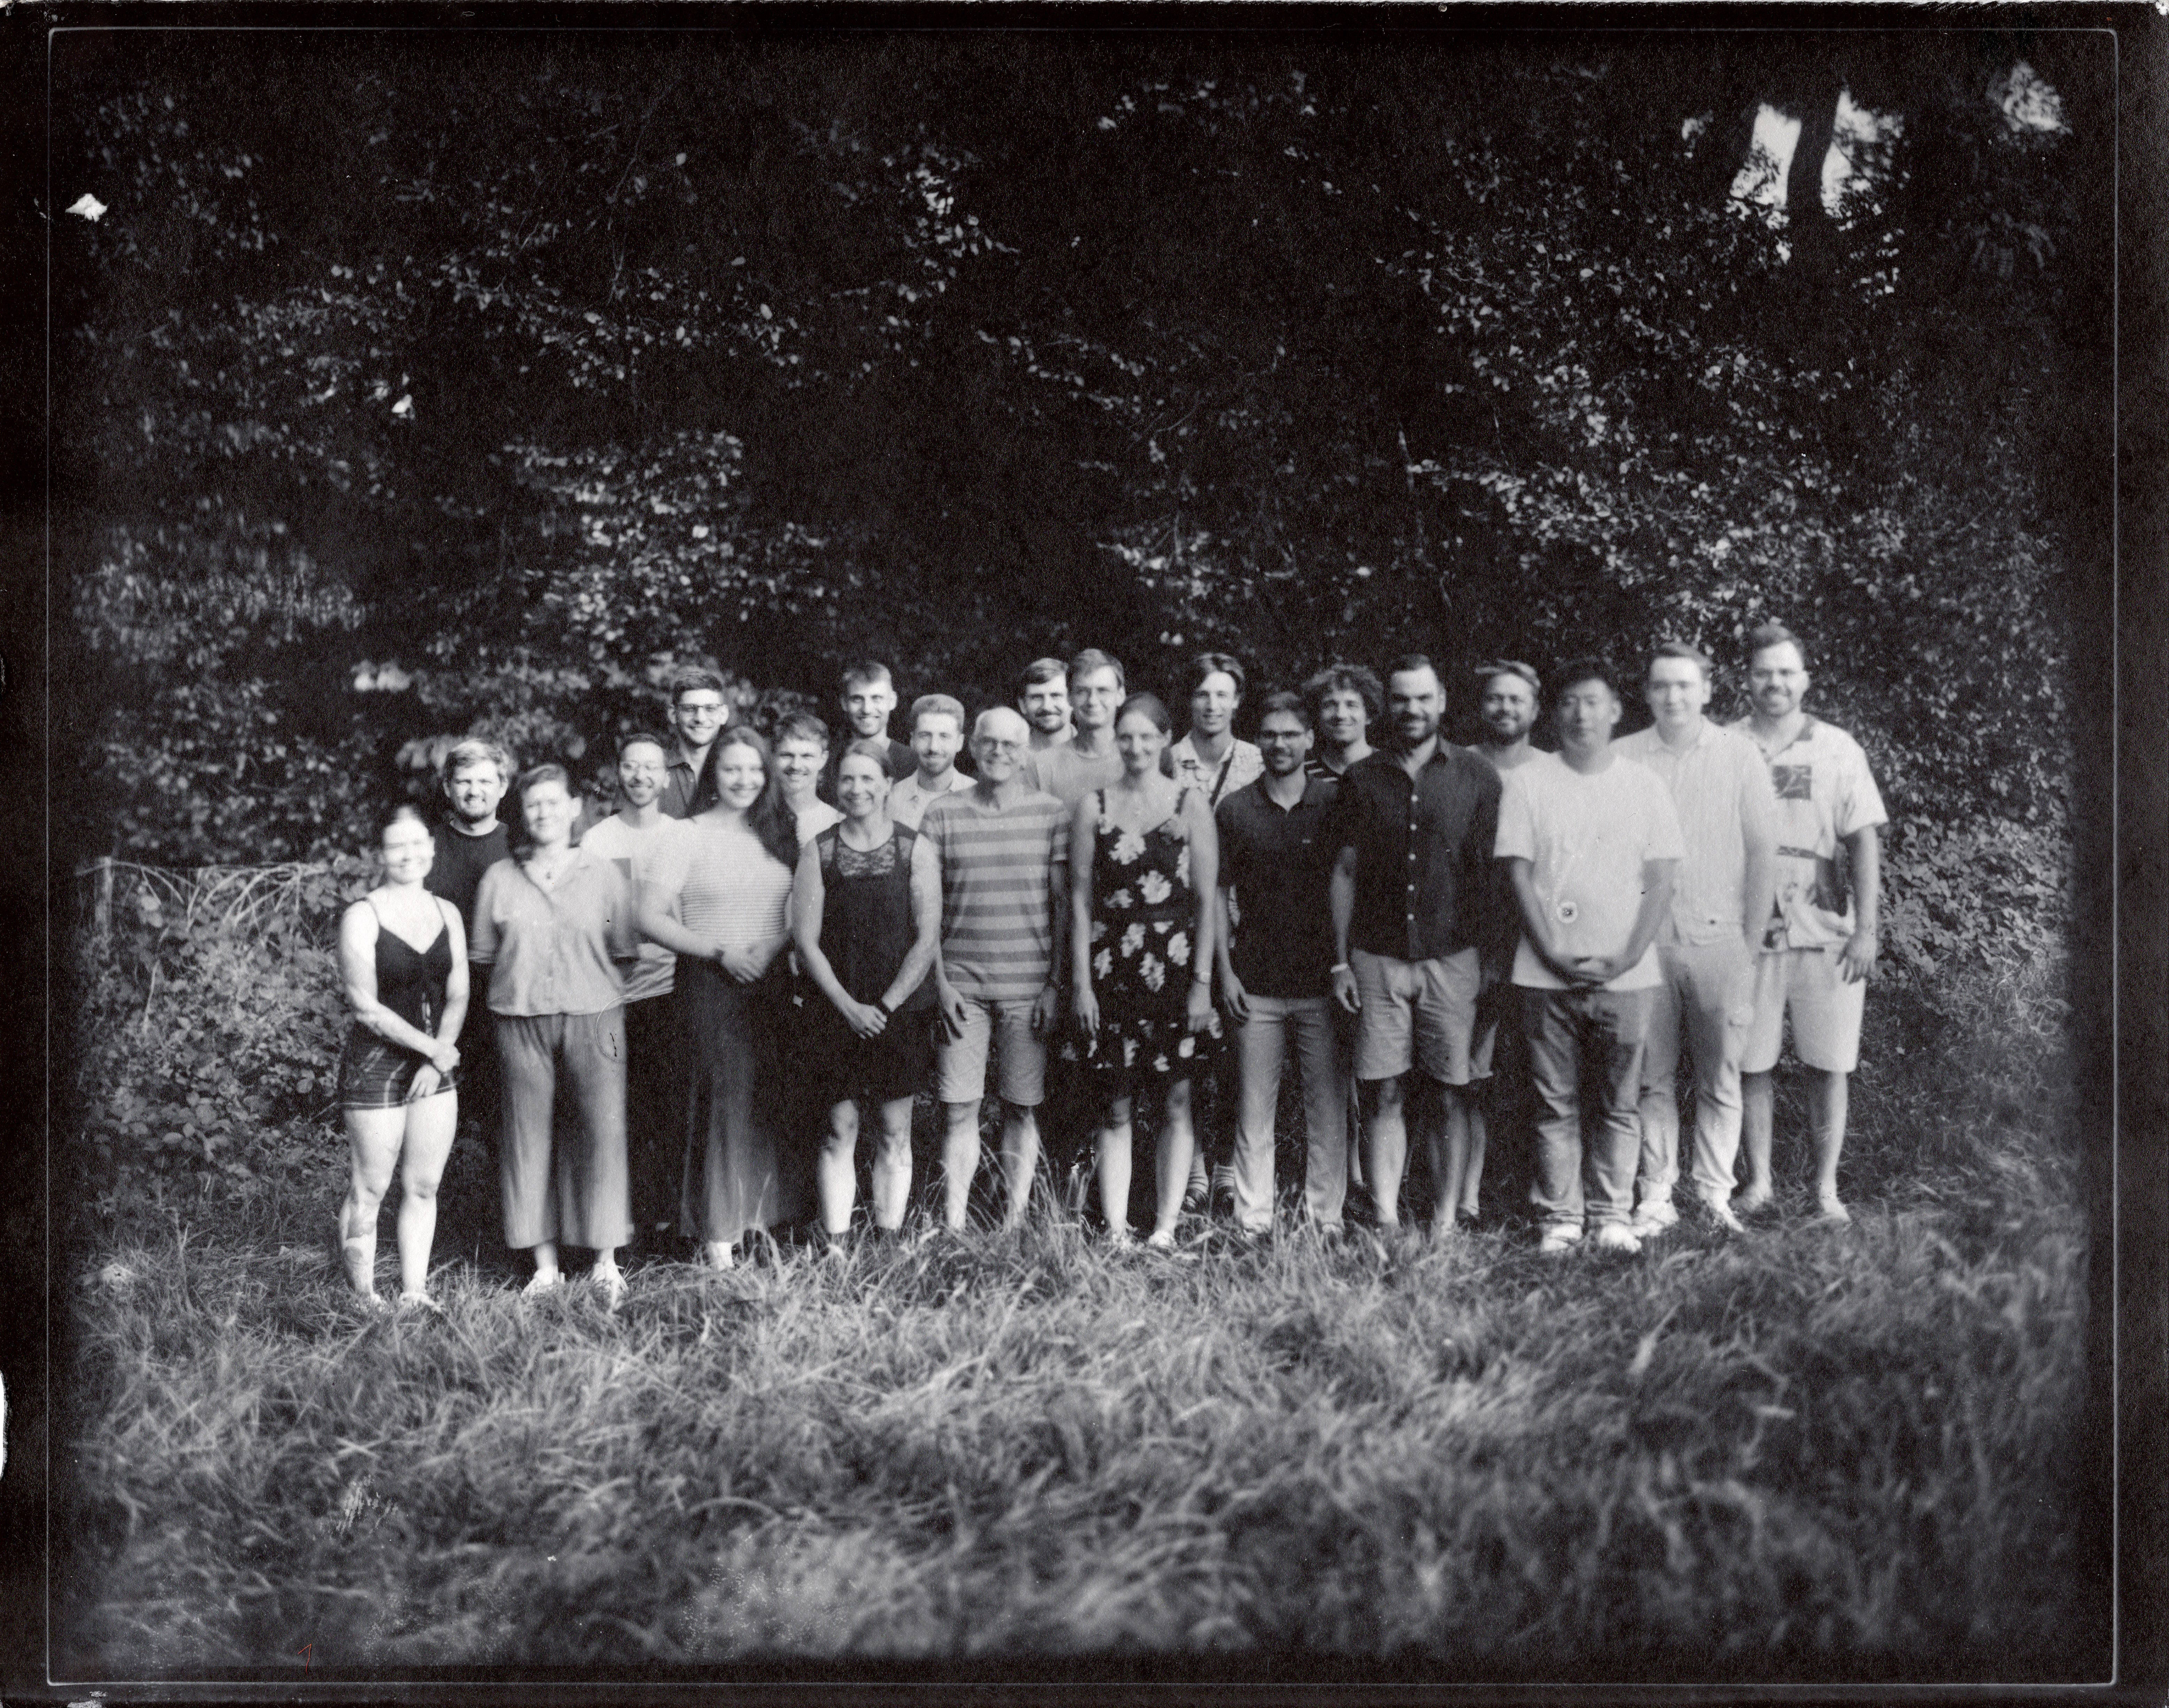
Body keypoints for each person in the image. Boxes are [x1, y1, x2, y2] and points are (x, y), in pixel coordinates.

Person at [1495, 658, 1683, 1256]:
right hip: (1542, 972)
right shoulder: (1530, 781)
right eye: (1570, 702)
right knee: (1553, 1101)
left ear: (1615, 711)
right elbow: (1517, 873)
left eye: (1592, 702)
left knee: (1618, 1100)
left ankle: (1611, 1214)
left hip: (1628, 975)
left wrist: (1628, 955)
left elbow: (1660, 880)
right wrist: (1549, 950)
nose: (1581, 714)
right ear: (1557, 712)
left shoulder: (1643, 784)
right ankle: (1560, 1217)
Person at [1326, 654, 1507, 1243]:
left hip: (1452, 957)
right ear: (1390, 705)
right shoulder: (1362, 778)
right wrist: (1340, 958)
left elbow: (1491, 876)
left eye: (1422, 698)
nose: (1412, 709)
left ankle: (1447, 1218)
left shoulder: (1477, 776)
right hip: (1377, 957)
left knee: (1451, 1091)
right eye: (1402, 698)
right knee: (1383, 1089)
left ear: (1442, 701)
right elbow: (1345, 871)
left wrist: (1491, 959)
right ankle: (1384, 1216)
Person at [1614, 643, 1778, 1237]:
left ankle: (1713, 1194)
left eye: (1685, 685)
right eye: (1661, 686)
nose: (1673, 696)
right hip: (1645, 947)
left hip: (1720, 943)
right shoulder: (1622, 756)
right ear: (1647, 692)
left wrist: (1750, 946)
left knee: (1721, 1076)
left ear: (1707, 691)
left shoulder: (1740, 756)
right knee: (1650, 1075)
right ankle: (1655, 1195)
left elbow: (1764, 854)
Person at [1729, 621, 1887, 1225]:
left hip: (1827, 929)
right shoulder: (1725, 745)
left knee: (1830, 1062)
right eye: (1764, 671)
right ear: (1747, 679)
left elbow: (1864, 842)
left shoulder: (1838, 748)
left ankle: (1825, 1191)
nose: (1775, 681)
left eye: (1786, 671)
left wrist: (1868, 928)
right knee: (1751, 1061)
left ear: (1805, 679)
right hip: (1750, 930)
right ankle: (1759, 1182)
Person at [638, 727, 810, 1268]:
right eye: (732, 768)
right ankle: (717, 1239)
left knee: (769, 1102)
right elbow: (648, 918)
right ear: (713, 773)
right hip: (709, 988)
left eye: (755, 770)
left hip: (772, 983)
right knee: (719, 1109)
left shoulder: (783, 830)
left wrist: (772, 945)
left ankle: (760, 1223)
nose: (745, 780)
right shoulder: (684, 834)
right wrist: (718, 952)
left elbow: (799, 909)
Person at [469, 764, 639, 1299]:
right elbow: (483, 958)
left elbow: (625, 953)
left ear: (574, 808)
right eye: (533, 804)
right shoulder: (498, 878)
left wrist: (586, 988)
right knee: (527, 1139)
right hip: (519, 1022)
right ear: (523, 813)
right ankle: (544, 1266)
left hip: (597, 1019)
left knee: (602, 1134)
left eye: (553, 802)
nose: (543, 812)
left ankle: (605, 1261)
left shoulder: (605, 873)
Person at [1068, 693, 1220, 1247]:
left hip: (1176, 971)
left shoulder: (1189, 803)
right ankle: (1113, 1228)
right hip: (1112, 971)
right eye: (1125, 737)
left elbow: (1207, 900)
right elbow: (1081, 899)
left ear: (1163, 740)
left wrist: (1202, 985)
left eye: (1145, 738)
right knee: (1115, 1104)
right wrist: (1082, 983)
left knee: (1176, 1102)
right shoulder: (1095, 806)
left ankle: (1164, 1227)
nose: (1134, 747)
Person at [918, 707, 1072, 1232]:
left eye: (1011, 745)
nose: (999, 753)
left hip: (1028, 988)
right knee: (958, 1109)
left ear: (1025, 750)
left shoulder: (1051, 814)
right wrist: (938, 984)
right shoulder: (941, 814)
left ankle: (1013, 1221)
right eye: (990, 743)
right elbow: (926, 911)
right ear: (973, 747)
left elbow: (1062, 908)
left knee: (1021, 1108)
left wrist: (1055, 985)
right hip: (959, 986)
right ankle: (955, 1225)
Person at [792, 738, 943, 1237]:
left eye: (866, 779)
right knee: (839, 1129)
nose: (856, 789)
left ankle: (889, 1240)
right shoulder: (820, 850)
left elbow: (926, 938)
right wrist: (848, 1007)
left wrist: (886, 1005)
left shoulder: (916, 848)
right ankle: (835, 1245)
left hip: (896, 1011)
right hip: (833, 1010)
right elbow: (806, 941)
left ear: (885, 785)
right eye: (847, 779)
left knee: (894, 1130)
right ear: (835, 787)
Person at [1216, 691, 1351, 1238]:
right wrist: (1224, 973)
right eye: (1269, 734)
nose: (1279, 744)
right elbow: (1218, 894)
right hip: (1256, 983)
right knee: (1254, 1110)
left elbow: (1354, 886)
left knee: (1327, 1109)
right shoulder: (1235, 809)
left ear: (1310, 740)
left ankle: (1326, 1219)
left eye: (1291, 734)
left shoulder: (1337, 802)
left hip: (1322, 982)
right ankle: (1253, 1219)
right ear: (1258, 741)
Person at [335, 806, 468, 1311]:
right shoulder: (362, 916)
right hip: (377, 1063)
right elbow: (366, 1008)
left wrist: (438, 1062)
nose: (409, 855)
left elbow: (457, 995)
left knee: (423, 1183)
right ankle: (363, 1297)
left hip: (436, 1065)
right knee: (370, 1185)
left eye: (418, 844)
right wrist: (433, 1050)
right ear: (381, 854)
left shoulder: (447, 913)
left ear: (432, 849)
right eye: (397, 846)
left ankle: (415, 1292)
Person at [577, 732, 687, 1252]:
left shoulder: (682, 835)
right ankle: (619, 1229)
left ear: (667, 778)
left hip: (672, 991)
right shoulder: (597, 841)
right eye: (630, 766)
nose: (641, 777)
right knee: (619, 1113)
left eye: (651, 768)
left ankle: (665, 1224)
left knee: (668, 1110)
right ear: (617, 774)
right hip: (612, 999)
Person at [1464, 658, 1550, 1222]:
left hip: (1539, 929)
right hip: (1473, 929)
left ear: (1535, 708)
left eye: (1516, 699)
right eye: (1495, 698)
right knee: (1471, 1068)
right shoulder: (1463, 764)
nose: (1505, 708)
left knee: (1540, 1066)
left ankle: (1538, 1186)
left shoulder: (1552, 769)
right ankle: (1468, 1192)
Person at [1022, 648, 1127, 807]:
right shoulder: (1041, 766)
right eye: (1082, 692)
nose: (1092, 701)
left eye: (1103, 691)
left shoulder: (1137, 756)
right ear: (1070, 698)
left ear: (1120, 696)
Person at [1172, 652, 1265, 807]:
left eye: (1222, 695)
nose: (1212, 706)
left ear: (1236, 701)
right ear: (1190, 700)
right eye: (1203, 695)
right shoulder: (1169, 762)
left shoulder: (1258, 762)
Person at [818, 661, 915, 805]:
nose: (867, 709)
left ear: (893, 701)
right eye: (858, 699)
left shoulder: (913, 763)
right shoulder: (827, 763)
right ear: (845, 703)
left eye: (877, 698)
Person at [889, 693, 975, 831]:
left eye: (944, 737)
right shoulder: (891, 800)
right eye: (925, 736)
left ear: (960, 742)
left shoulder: (979, 797)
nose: (933, 747)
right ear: (912, 740)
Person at [657, 667, 732, 820]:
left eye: (710, 709)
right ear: (673, 714)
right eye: (690, 709)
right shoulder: (650, 768)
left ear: (723, 715)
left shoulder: (737, 770)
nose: (700, 718)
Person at [773, 711, 844, 846]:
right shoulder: (757, 818)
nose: (796, 765)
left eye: (807, 756)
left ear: (823, 759)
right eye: (787, 755)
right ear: (774, 757)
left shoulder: (836, 823)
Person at [1302, 663, 1382, 781]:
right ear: (1318, 714)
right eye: (1330, 705)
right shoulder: (1302, 773)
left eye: (1351, 705)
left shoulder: (1390, 768)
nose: (1340, 715)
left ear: (1369, 715)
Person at [1018, 657, 1074, 754]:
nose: (1047, 706)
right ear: (1023, 705)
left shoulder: (1097, 750)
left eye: (1056, 696)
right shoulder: (1011, 757)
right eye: (1037, 697)